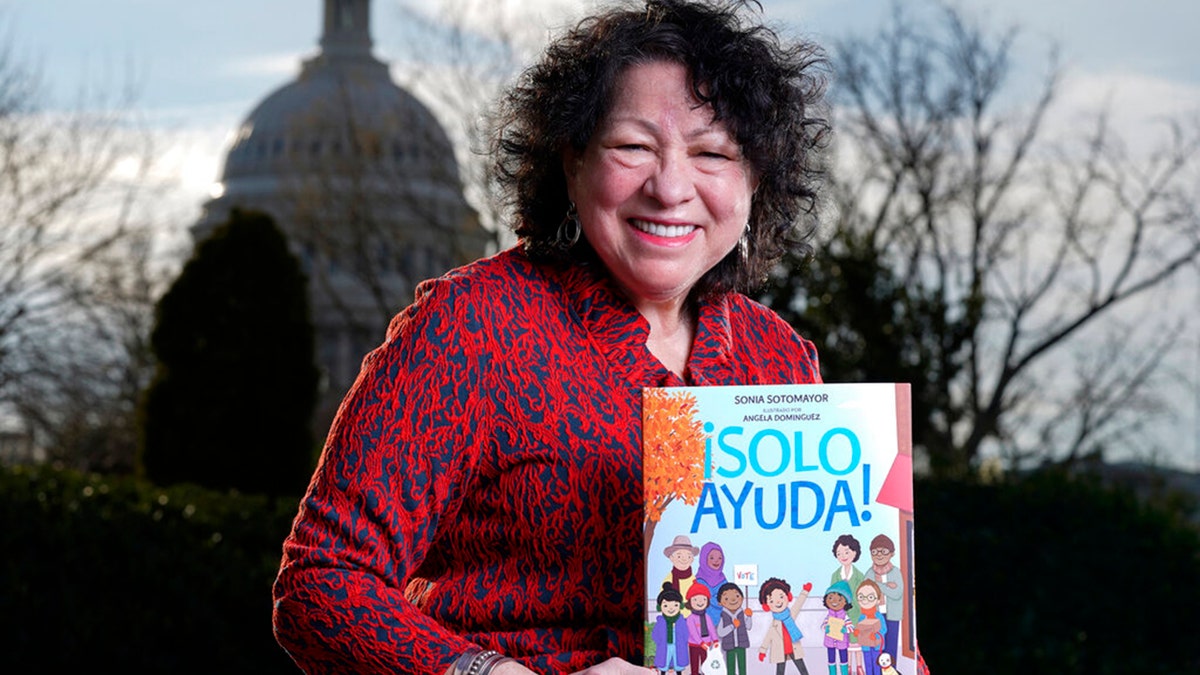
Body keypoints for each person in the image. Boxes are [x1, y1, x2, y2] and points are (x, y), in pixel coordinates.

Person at [270, 1, 881, 674]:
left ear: (754, 183)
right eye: (633, 146)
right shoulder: (474, 324)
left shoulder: (779, 357)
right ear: (572, 160)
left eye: (712, 152)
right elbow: (321, 585)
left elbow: (826, 628)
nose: (671, 187)